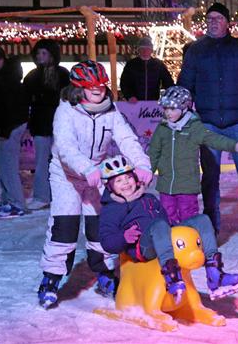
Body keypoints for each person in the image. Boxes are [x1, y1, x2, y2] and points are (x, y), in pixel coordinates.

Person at [37, 60, 153, 309]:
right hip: (66, 176)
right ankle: (51, 280)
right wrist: (86, 168)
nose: (98, 89)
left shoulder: (111, 111)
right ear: (79, 87)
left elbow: (127, 139)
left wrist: (142, 164)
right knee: (64, 227)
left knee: (102, 227)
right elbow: (65, 148)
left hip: (97, 175)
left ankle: (106, 275)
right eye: (92, 86)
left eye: (101, 85)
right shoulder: (66, 111)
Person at [98, 155, 238, 302]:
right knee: (159, 225)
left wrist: (172, 225)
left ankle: (215, 274)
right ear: (109, 186)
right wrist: (123, 237)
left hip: (164, 236)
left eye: (128, 177)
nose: (126, 183)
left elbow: (164, 220)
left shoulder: (148, 198)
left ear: (135, 178)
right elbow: (106, 241)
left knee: (202, 220)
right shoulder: (111, 209)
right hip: (143, 247)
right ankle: (172, 277)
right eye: (118, 180)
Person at [178, 3, 238, 240]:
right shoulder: (196, 51)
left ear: (228, 22)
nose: (213, 22)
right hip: (208, 123)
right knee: (210, 176)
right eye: (209, 18)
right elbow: (185, 85)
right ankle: (211, 223)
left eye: (218, 18)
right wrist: (181, 117)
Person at [148, 86, 238, 225]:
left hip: (187, 186)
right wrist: (147, 172)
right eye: (166, 109)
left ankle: (190, 244)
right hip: (165, 185)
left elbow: (214, 139)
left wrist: (235, 146)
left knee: (189, 217)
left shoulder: (194, 127)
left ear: (184, 108)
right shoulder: (163, 128)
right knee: (167, 216)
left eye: (172, 109)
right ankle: (170, 244)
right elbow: (153, 152)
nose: (168, 113)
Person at [23, 39, 71, 211]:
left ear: (52, 55)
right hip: (41, 126)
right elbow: (25, 101)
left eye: (43, 53)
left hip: (61, 126)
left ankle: (66, 195)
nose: (40, 57)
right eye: (38, 53)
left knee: (63, 162)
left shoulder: (63, 74)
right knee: (42, 163)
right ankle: (42, 196)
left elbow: (70, 100)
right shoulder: (32, 76)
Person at [0, 46, 29, 218]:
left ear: (1, 59)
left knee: (7, 166)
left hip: (11, 127)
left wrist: (5, 129)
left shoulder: (8, 79)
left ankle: (17, 203)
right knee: (1, 164)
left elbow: (13, 109)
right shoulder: (2, 76)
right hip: (7, 127)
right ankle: (9, 199)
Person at [119, 36, 174, 102]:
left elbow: (168, 82)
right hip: (135, 102)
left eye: (147, 49)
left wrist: (170, 96)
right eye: (142, 49)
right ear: (138, 50)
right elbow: (124, 83)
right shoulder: (131, 65)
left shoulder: (158, 64)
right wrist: (129, 96)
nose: (145, 51)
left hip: (153, 102)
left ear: (151, 50)